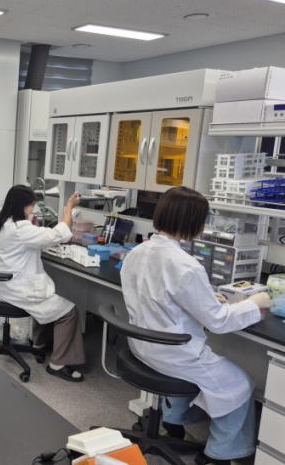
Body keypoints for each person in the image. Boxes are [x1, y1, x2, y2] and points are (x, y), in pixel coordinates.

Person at [120, 186, 270, 465]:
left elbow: (156, 295)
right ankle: (220, 454)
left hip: (141, 345)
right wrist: (255, 304)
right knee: (240, 384)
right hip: (173, 354)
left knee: (210, 374)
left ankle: (174, 420)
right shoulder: (187, 266)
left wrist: (205, 297)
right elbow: (219, 321)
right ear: (194, 222)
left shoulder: (137, 251)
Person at [0, 185, 85, 382]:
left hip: (2, 286)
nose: (33, 209)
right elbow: (60, 234)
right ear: (22, 206)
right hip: (18, 290)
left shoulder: (0, 223)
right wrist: (69, 207)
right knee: (68, 311)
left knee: (49, 298)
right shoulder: (21, 229)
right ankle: (58, 364)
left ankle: (40, 345)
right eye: (31, 206)